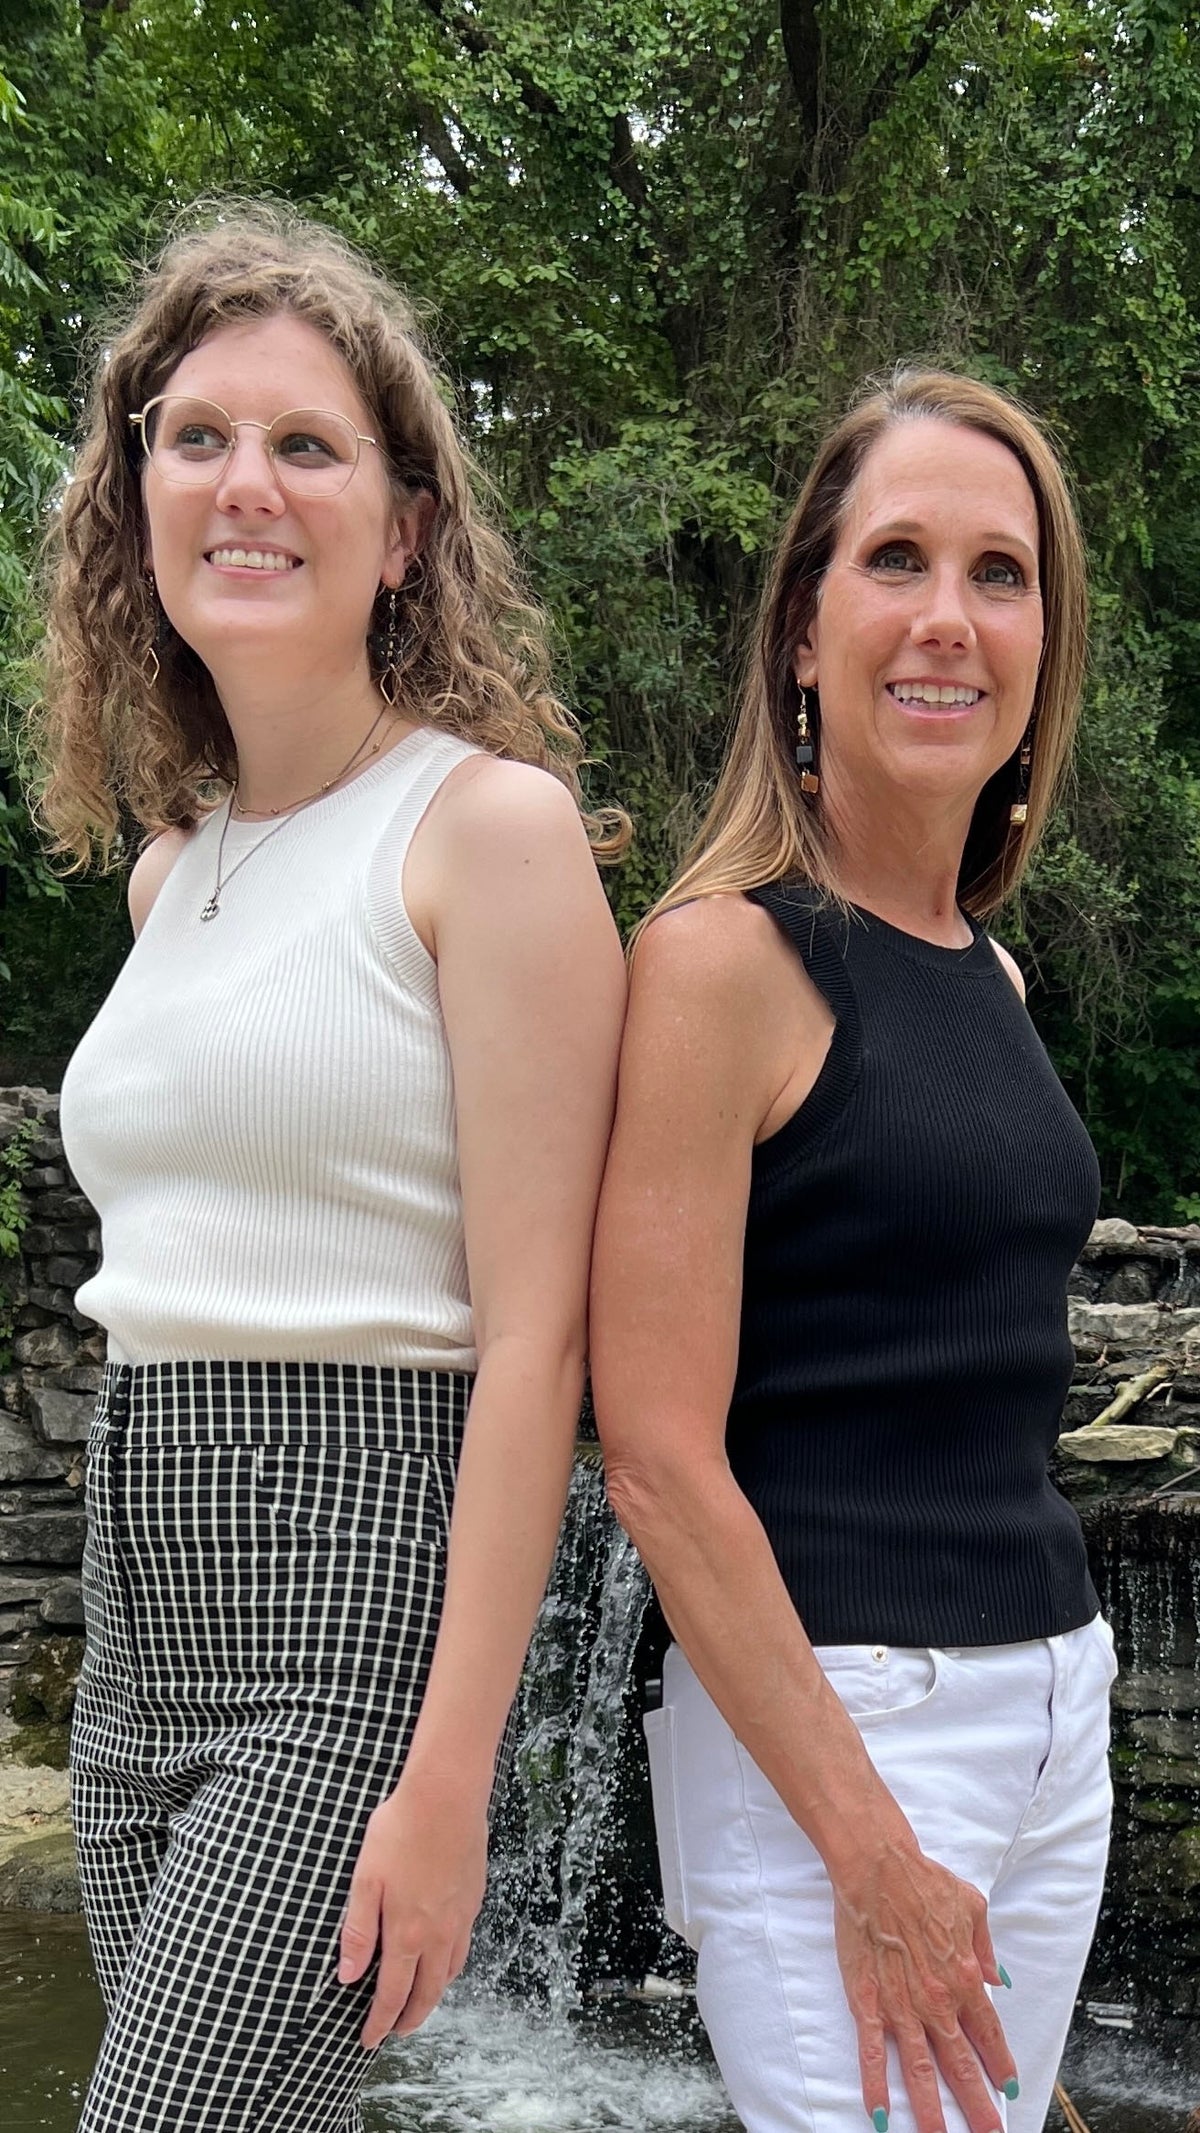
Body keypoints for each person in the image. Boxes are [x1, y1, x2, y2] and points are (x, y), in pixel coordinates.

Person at [33, 202, 627, 2133]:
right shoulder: (167, 873)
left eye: (308, 444)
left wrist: (451, 1776)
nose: (246, 485)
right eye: (195, 438)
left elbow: (541, 1340)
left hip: (354, 1593)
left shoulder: (487, 835)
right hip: (139, 1603)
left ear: (408, 523)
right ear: (134, 501)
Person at [590, 370, 1116, 2133]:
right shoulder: (722, 963)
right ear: (806, 630)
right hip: (848, 1736)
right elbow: (657, 1455)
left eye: (1001, 571)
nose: (951, 618)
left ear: (1045, 639)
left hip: (1056, 1708)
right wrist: (871, 1850)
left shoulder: (992, 972)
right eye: (898, 559)